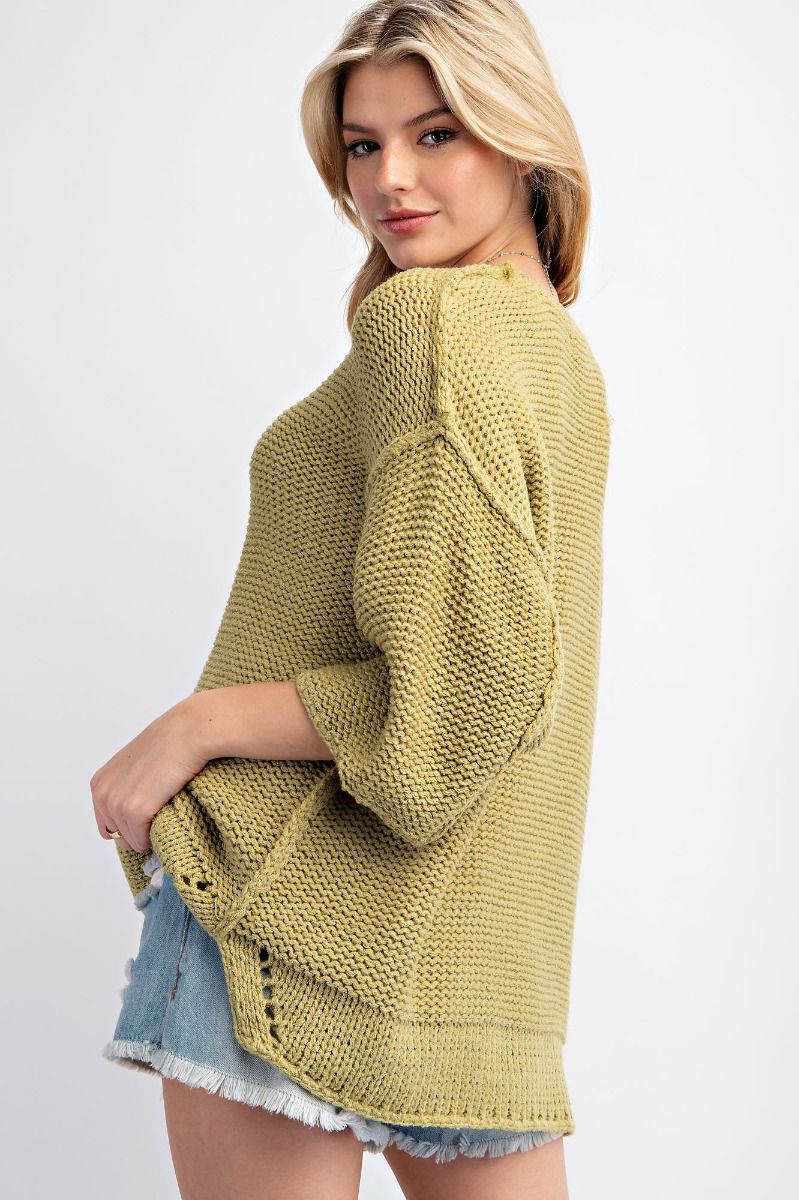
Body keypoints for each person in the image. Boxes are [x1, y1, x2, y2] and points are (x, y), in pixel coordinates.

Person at [93, 3, 610, 1198]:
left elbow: (461, 699)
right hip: (478, 960)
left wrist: (195, 726)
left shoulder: (427, 323)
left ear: (520, 137)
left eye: (435, 134)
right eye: (363, 146)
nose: (389, 180)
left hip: (284, 917)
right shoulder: (558, 355)